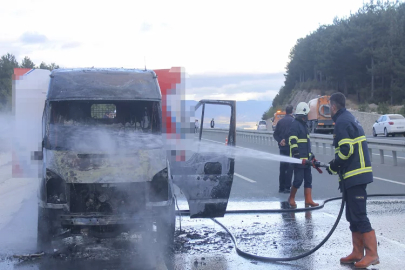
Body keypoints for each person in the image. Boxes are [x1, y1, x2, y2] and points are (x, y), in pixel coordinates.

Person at [326, 92, 379, 268]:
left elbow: (346, 150)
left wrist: (334, 165)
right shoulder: (348, 118)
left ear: (333, 106)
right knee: (352, 215)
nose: (329, 110)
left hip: (355, 175)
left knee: (359, 215)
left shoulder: (342, 122)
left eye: (329, 107)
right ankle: (358, 252)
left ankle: (372, 254)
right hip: (353, 176)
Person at [288, 102, 319, 208]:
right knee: (298, 180)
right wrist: (296, 154)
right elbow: (292, 140)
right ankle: (291, 198)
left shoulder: (304, 126)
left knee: (308, 179)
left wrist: (311, 155)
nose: (308, 116)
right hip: (299, 159)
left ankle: (308, 200)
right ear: (303, 114)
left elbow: (306, 143)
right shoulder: (295, 124)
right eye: (307, 114)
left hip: (306, 159)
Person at [273, 105, 294, 193]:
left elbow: (275, 134)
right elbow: (294, 135)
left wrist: (280, 141)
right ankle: (287, 187)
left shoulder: (280, 122)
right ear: (292, 111)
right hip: (290, 148)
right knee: (289, 167)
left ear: (285, 111)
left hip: (282, 147)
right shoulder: (294, 121)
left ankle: (281, 187)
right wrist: (287, 140)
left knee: (282, 167)